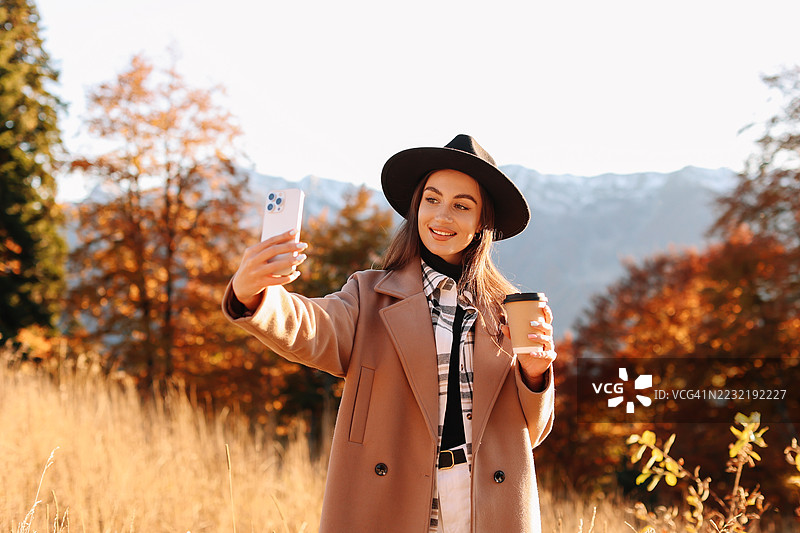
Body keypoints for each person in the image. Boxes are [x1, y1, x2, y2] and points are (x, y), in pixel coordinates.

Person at [222, 134, 556, 533]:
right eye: (431, 200)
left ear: (482, 223)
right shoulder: (369, 296)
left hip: (487, 503)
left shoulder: (507, 310)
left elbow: (530, 434)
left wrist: (535, 377)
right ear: (416, 208)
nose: (442, 216)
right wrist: (256, 296)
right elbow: (313, 327)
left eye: (461, 206)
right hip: (396, 495)